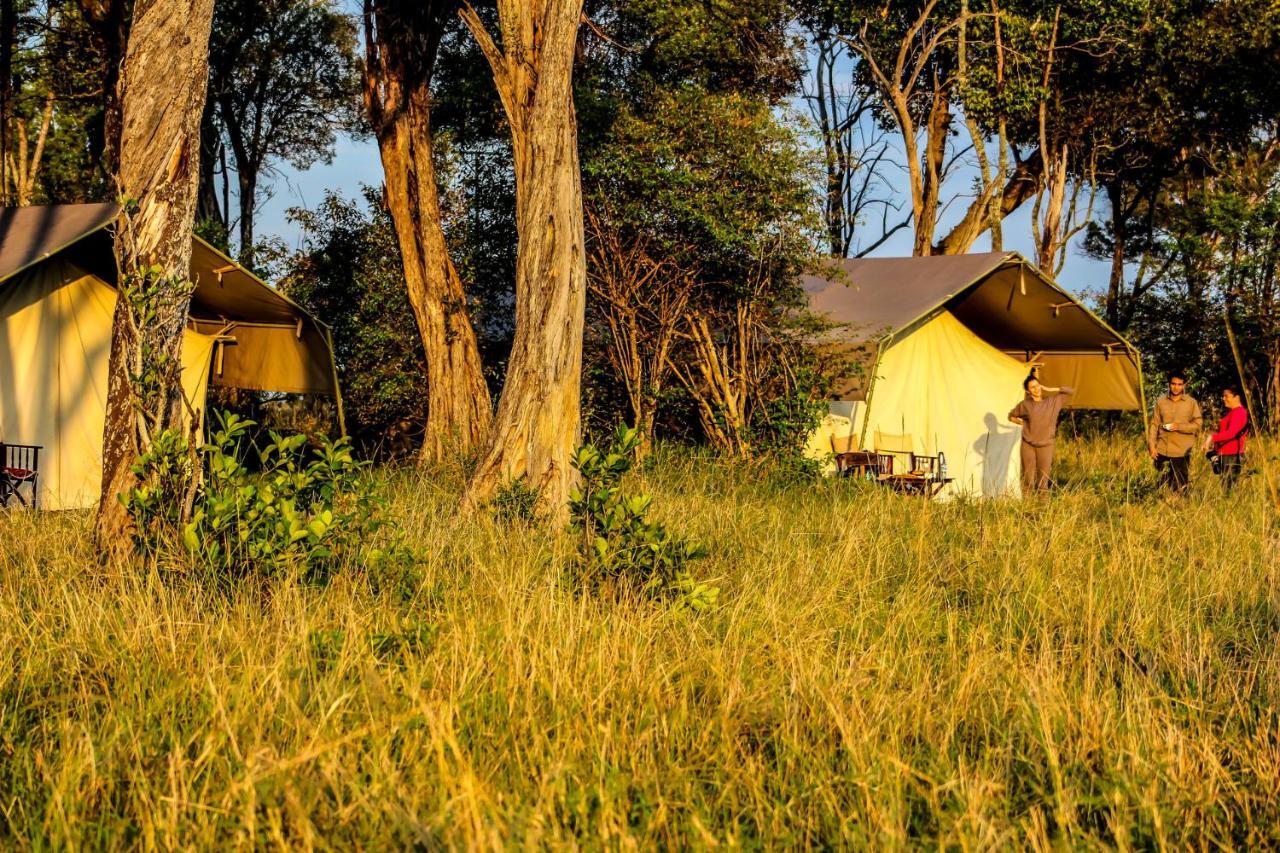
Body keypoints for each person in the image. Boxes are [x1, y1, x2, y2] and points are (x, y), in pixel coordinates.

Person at [1008, 374, 1075, 493]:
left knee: (1043, 481)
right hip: (1028, 445)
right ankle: (1027, 509)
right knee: (1028, 479)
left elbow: (1070, 391)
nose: (1036, 389)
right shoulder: (1025, 405)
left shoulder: (1053, 402)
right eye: (1032, 387)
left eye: (1037, 385)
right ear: (1028, 391)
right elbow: (1011, 416)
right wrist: (1022, 423)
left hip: (1046, 445)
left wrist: (1050, 389)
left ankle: (1042, 509)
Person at [1147, 371, 1202, 495]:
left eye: (1179, 384)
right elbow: (1154, 425)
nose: (1176, 387)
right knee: (1159, 487)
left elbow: (1198, 424)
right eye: (1173, 384)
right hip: (1161, 450)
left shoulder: (1191, 402)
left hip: (1181, 452)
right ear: (1169, 384)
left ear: (1184, 385)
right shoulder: (1161, 402)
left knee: (1180, 488)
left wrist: (1179, 427)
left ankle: (1180, 511)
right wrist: (1151, 446)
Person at [1203, 385, 1249, 491]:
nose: (1223, 398)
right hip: (1226, 454)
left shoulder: (1239, 412)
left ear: (1236, 397)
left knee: (1229, 489)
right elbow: (1225, 433)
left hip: (1232, 455)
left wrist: (1211, 438)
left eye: (1226, 396)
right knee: (1226, 486)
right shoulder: (1232, 412)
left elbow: (1231, 433)